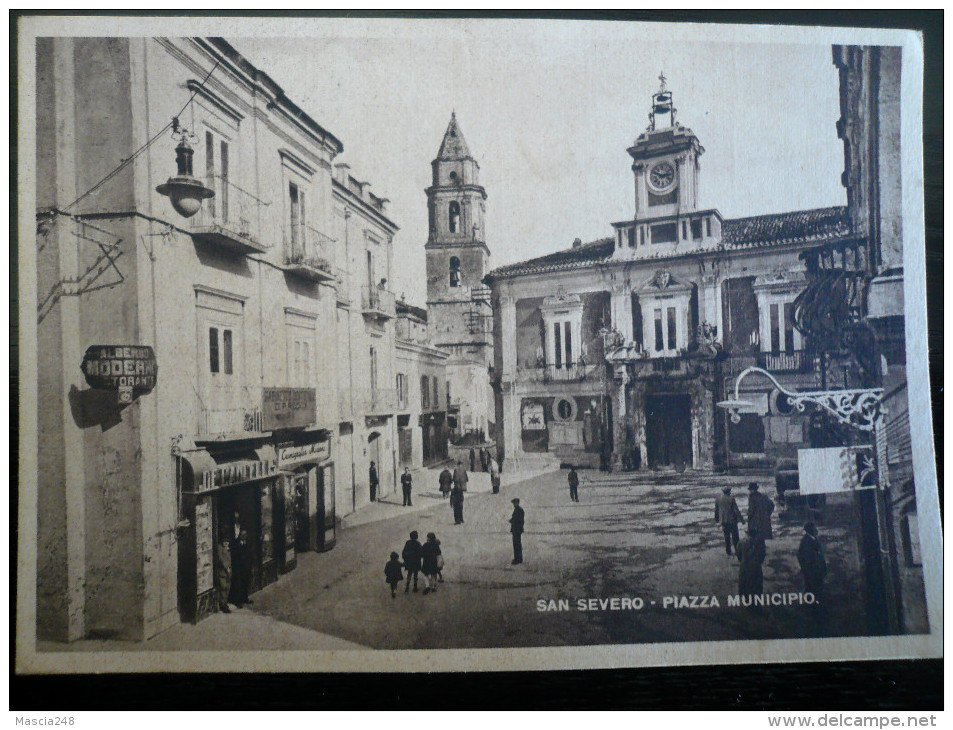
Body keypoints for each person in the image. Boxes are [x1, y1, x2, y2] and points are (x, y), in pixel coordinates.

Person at [797, 522, 827, 601]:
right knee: (812, 590)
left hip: (815, 571)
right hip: (812, 572)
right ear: (810, 530)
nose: (816, 530)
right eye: (814, 528)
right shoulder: (807, 542)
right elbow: (808, 558)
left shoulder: (811, 539)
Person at [736, 528, 766, 600]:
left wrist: (742, 560)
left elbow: (738, 555)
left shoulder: (741, 542)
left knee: (745, 583)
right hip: (756, 566)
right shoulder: (759, 543)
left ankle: (746, 597)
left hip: (744, 566)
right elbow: (762, 555)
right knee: (756, 584)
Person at [715, 486, 745, 556]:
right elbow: (736, 510)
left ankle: (728, 551)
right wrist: (741, 519)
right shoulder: (731, 499)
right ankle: (737, 551)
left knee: (726, 536)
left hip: (723, 521)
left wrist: (717, 519)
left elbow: (716, 510)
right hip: (732, 521)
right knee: (735, 537)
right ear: (729, 492)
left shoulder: (718, 499)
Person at [229, 528, 252, 608]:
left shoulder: (247, 543)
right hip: (239, 569)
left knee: (245, 583)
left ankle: (244, 598)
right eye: (243, 535)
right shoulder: (236, 544)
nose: (245, 536)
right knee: (238, 585)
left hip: (246, 567)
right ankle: (237, 601)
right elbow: (235, 557)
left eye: (245, 535)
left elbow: (249, 553)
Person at [215, 528, 232, 614]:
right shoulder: (220, 548)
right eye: (225, 541)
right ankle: (223, 605)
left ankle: (225, 603)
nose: (226, 543)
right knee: (223, 588)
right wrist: (226, 568)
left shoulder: (228, 548)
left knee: (227, 588)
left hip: (229, 572)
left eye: (227, 541)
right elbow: (221, 559)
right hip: (223, 572)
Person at [509, 498, 525, 565]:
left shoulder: (519, 510)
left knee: (517, 544)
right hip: (516, 530)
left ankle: (518, 559)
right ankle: (518, 558)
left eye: (514, 503)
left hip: (517, 530)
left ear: (517, 503)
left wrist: (513, 521)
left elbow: (520, 521)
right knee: (516, 544)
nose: (513, 505)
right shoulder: (517, 509)